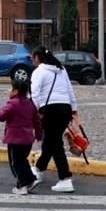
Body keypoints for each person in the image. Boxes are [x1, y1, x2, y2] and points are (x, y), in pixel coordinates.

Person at [30, 46, 78, 193]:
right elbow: (70, 91)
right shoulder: (62, 70)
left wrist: (35, 112)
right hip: (65, 109)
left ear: (38, 58)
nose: (32, 61)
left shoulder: (39, 71)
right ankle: (38, 169)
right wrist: (74, 111)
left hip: (49, 109)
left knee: (55, 144)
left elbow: (35, 94)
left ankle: (65, 178)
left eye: (33, 58)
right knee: (51, 141)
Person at [0, 77, 43, 195]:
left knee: (16, 163)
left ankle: (22, 184)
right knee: (22, 161)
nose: (9, 90)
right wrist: (38, 134)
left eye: (11, 88)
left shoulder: (12, 103)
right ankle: (30, 179)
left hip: (15, 139)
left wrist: (4, 107)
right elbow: (36, 121)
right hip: (27, 139)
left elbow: (1, 116)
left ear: (16, 91)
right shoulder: (30, 104)